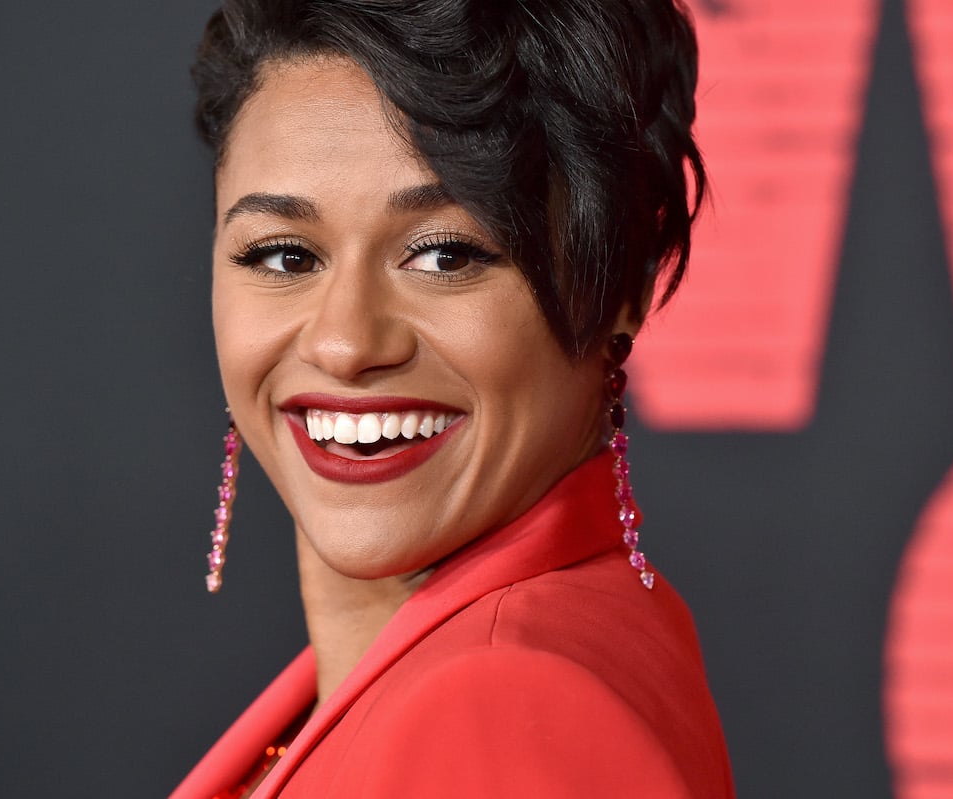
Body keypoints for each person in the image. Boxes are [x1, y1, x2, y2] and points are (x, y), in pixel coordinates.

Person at [171, 1, 734, 796]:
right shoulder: (554, 640)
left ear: (622, 283)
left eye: (444, 255)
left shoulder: (500, 707)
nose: (345, 342)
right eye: (285, 255)